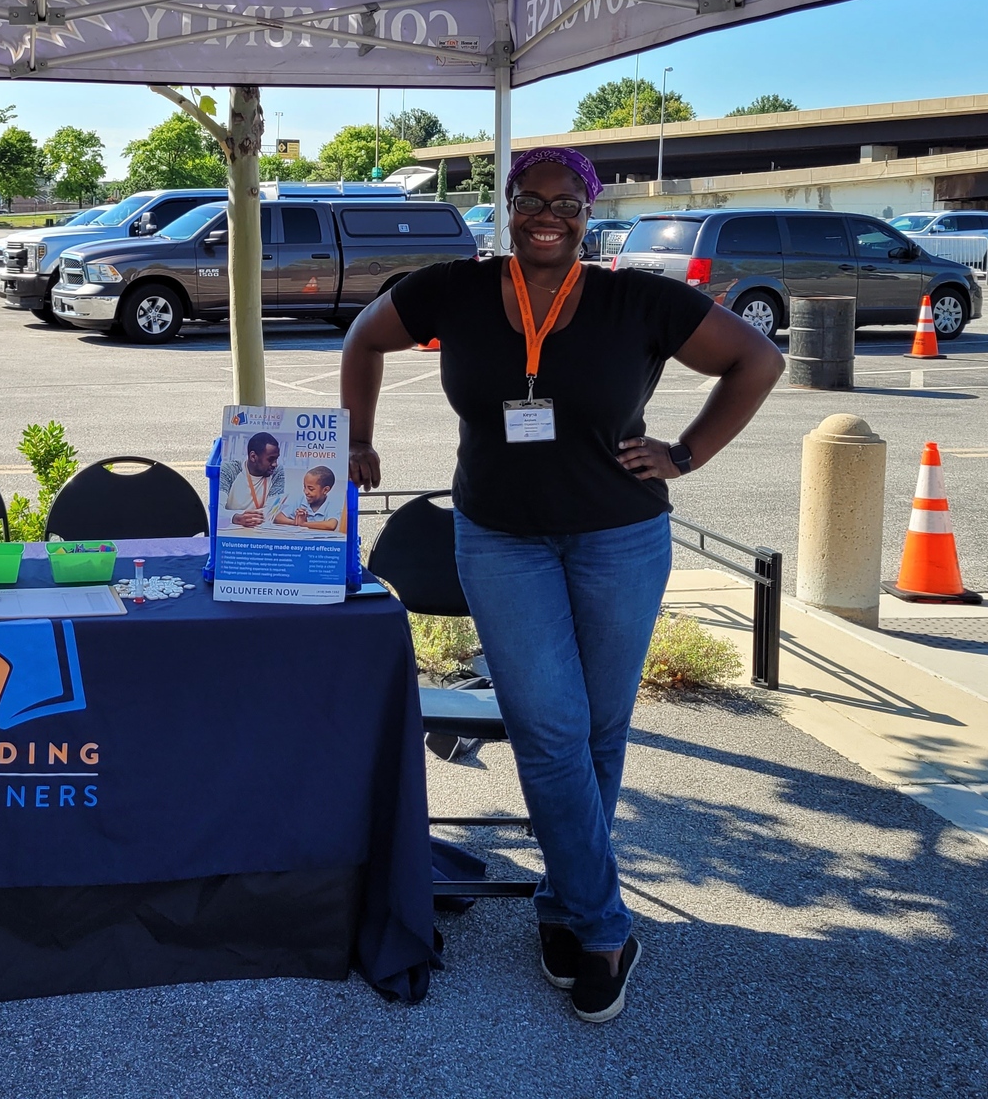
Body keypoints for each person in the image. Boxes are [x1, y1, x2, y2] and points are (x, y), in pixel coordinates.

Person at [340, 146, 783, 1024]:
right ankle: (603, 924)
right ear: (506, 206)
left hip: (621, 540)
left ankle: (560, 900)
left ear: (591, 213)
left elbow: (757, 361)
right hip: (501, 541)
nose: (548, 216)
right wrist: (357, 438)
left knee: (598, 732)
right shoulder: (455, 289)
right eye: (530, 200)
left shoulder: (639, 299)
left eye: (567, 204)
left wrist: (684, 453)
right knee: (548, 728)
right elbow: (364, 338)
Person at [218, 432, 284, 529]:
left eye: (276, 459)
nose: (275, 464)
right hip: (233, 532)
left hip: (260, 531)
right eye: (271, 459)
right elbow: (217, 510)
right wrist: (236, 518)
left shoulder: (277, 472)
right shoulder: (230, 470)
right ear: (253, 457)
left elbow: (271, 511)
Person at [273, 466, 343, 532]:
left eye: (311, 489)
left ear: (325, 490)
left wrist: (303, 524)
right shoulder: (299, 499)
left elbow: (331, 525)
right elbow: (278, 518)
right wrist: (295, 522)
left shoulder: (332, 503)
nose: (306, 492)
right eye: (304, 487)